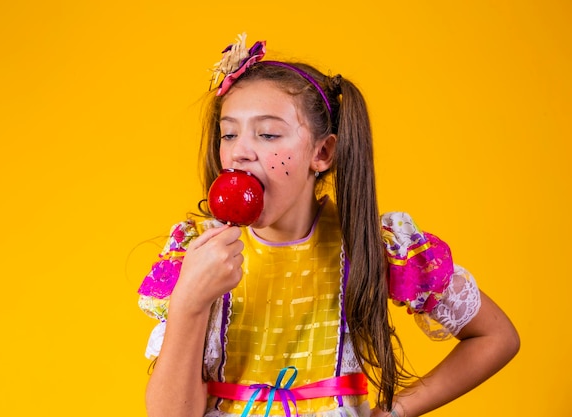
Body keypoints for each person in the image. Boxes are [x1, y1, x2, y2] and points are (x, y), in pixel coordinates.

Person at [136, 33, 519, 417]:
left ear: (322, 153)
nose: (239, 151)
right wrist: (189, 301)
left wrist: (399, 409)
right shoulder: (195, 255)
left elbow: (496, 337)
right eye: (229, 133)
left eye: (267, 134)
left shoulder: (369, 244)